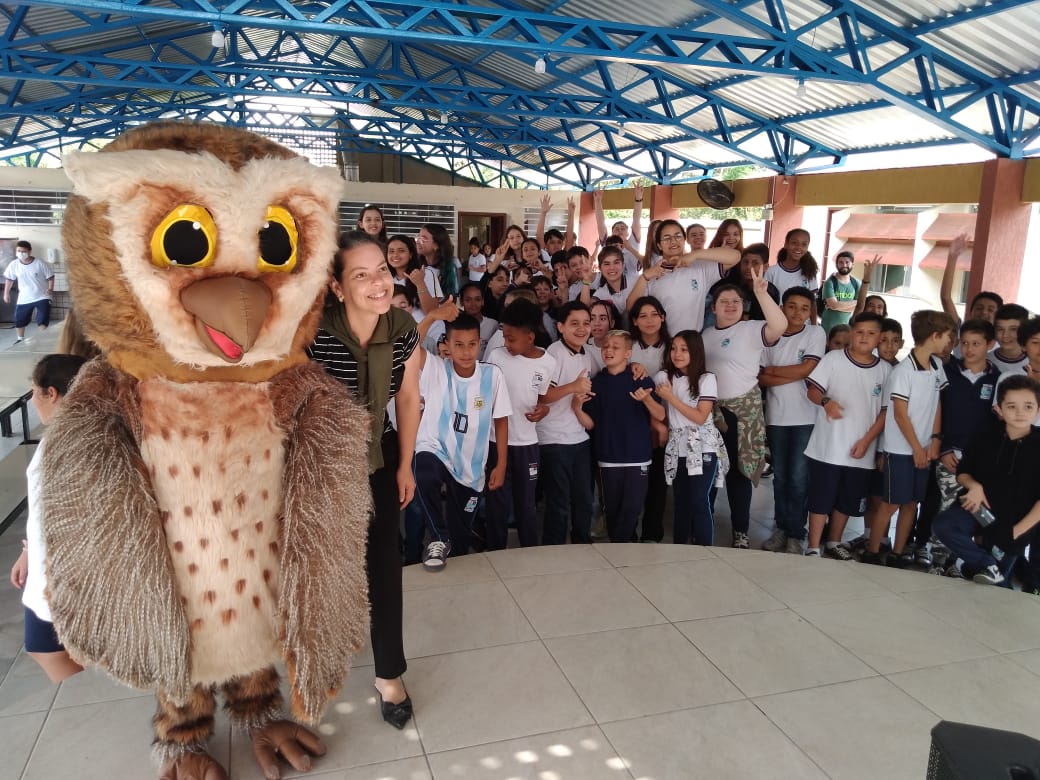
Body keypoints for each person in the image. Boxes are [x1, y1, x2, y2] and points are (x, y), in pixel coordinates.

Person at [307, 231, 420, 729]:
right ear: (336, 286)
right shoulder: (313, 334)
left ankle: (388, 673)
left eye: (382, 270)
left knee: (385, 566)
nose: (379, 282)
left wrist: (405, 464)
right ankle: (310, 668)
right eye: (361, 275)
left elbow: (409, 399)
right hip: (322, 466)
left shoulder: (402, 328)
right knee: (317, 570)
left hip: (379, 457)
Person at [9, 354, 88, 682]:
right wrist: (27, 551)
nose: (34, 403)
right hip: (50, 569)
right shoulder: (71, 435)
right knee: (50, 649)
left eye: (34, 394)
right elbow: (44, 507)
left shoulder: (70, 441)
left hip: (60, 576)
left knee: (47, 649)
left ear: (52, 393)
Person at [413, 314, 511, 569]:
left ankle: (453, 550)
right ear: (446, 344)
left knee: (462, 533)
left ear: (480, 343)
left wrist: (500, 465)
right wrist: (434, 315)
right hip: (436, 449)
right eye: (459, 344)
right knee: (421, 467)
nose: (466, 352)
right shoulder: (435, 368)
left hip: (471, 467)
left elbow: (501, 421)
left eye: (472, 344)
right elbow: (409, 345)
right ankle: (438, 536)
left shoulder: (492, 375)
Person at [863, 310, 957, 565]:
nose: (949, 342)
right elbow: (900, 415)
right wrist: (916, 447)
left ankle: (897, 552)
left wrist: (935, 439)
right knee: (891, 503)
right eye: (947, 336)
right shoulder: (904, 371)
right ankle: (872, 552)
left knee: (912, 503)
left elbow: (937, 403)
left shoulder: (937, 365)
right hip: (902, 450)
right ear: (935, 336)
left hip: (925, 448)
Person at [701, 269, 787, 548]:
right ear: (713, 307)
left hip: (742, 415)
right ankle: (705, 522)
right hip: (712, 413)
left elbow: (779, 326)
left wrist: (761, 293)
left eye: (736, 301)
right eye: (723, 301)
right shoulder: (705, 335)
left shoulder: (751, 330)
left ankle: (741, 531)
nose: (730, 305)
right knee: (710, 470)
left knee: (740, 474)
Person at [932, 375, 1040, 585]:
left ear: (1037, 409)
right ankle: (984, 563)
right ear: (999, 408)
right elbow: (962, 472)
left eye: (1028, 406)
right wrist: (974, 486)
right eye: (1011, 406)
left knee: (997, 584)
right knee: (944, 525)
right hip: (980, 510)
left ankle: (978, 567)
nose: (1020, 413)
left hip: (1014, 524)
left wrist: (1014, 532)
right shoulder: (985, 436)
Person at [803, 312, 891, 558]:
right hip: (827, 447)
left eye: (871, 333)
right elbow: (812, 390)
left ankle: (834, 542)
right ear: (851, 333)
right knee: (821, 499)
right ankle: (812, 546)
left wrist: (866, 441)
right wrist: (826, 401)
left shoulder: (885, 370)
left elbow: (885, 413)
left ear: (879, 337)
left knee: (846, 500)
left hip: (861, 451)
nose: (864, 337)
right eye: (859, 331)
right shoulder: (833, 359)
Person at [578, 330, 664, 542]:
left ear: (628, 353)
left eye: (616, 347)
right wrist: (576, 408)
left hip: (638, 457)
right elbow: (591, 424)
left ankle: (623, 548)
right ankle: (623, 548)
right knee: (613, 510)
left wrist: (646, 400)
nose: (609, 350)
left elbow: (660, 414)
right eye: (606, 346)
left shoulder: (641, 379)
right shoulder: (596, 383)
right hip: (608, 458)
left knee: (632, 508)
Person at [758, 287, 826, 554]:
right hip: (776, 416)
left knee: (799, 478)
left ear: (811, 312)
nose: (797, 312)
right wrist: (788, 373)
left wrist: (774, 371)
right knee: (781, 478)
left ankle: (797, 532)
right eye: (792, 306)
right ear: (781, 308)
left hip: (805, 417)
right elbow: (759, 377)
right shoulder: (770, 335)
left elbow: (807, 369)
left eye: (804, 308)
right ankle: (781, 527)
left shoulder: (814, 333)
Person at [485, 300, 556, 549]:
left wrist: (544, 409)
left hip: (527, 444)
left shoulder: (548, 363)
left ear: (530, 337)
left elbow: (541, 398)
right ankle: (494, 552)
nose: (506, 344)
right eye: (505, 337)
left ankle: (530, 553)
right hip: (495, 443)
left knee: (527, 505)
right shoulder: (495, 357)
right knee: (497, 504)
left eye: (511, 339)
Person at [655, 331, 728, 545]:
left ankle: (705, 550)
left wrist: (670, 398)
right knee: (681, 501)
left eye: (684, 349)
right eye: (674, 348)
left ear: (695, 352)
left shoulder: (707, 379)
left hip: (702, 446)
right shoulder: (664, 377)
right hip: (677, 446)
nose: (677, 354)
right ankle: (680, 547)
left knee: (699, 500)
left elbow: (700, 416)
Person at [537, 301, 599, 545]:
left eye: (586, 323)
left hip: (579, 437)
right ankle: (554, 548)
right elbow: (542, 396)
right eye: (574, 323)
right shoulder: (553, 354)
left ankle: (582, 542)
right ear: (560, 327)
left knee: (584, 498)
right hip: (554, 439)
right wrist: (573, 387)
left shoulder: (587, 354)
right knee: (559, 501)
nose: (582, 329)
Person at [936, 319, 1001, 521]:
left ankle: (967, 553)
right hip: (949, 456)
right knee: (946, 511)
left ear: (990, 345)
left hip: (980, 460)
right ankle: (937, 553)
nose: (969, 349)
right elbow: (935, 412)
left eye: (976, 343)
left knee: (977, 515)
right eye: (964, 343)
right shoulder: (947, 373)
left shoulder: (997, 378)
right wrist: (943, 447)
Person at [627, 219, 740, 334]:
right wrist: (644, 277)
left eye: (678, 236)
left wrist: (696, 254)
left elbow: (735, 256)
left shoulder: (700, 267)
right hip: (663, 341)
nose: (673, 241)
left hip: (692, 341)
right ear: (659, 245)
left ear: (684, 240)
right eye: (667, 238)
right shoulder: (652, 273)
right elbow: (631, 307)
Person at [629, 296, 670, 542]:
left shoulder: (673, 346)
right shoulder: (628, 347)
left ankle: (652, 532)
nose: (649, 320)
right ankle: (627, 530)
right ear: (634, 321)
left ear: (663, 317)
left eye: (654, 314)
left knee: (658, 481)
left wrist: (661, 424)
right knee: (634, 483)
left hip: (664, 421)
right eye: (642, 316)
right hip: (634, 422)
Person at [940, 233, 1003, 328]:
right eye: (979, 308)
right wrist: (952, 257)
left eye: (990, 310)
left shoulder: (1003, 341)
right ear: (970, 311)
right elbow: (945, 298)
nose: (984, 312)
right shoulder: (960, 332)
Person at [707, 243, 780, 322]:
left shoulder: (769, 292)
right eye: (745, 262)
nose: (748, 267)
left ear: (765, 267)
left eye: (755, 263)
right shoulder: (736, 287)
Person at [3, 240, 54, 344]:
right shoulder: (14, 264)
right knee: (19, 319)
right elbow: (9, 279)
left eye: (24, 251)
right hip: (24, 297)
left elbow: (51, 277)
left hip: (42, 296)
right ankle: (20, 339)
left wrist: (50, 289)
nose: (21, 253)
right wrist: (6, 293)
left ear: (30, 251)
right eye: (19, 251)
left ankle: (42, 338)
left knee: (42, 318)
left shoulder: (39, 263)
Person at [582, 245, 638, 326]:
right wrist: (586, 280)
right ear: (600, 268)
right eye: (607, 264)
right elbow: (584, 310)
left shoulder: (637, 281)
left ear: (623, 265)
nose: (612, 267)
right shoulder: (601, 293)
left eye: (616, 262)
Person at [413, 223, 460, 311]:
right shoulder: (416, 265)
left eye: (423, 238)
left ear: (436, 245)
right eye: (418, 237)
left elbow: (452, 299)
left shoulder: (449, 268)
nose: (418, 241)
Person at [765, 228, 820, 300]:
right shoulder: (771, 272)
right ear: (786, 244)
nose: (799, 247)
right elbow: (765, 299)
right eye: (794, 243)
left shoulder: (810, 272)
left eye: (804, 244)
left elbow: (813, 301)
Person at [820, 250, 861, 334]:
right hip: (828, 329)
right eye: (841, 262)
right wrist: (854, 303)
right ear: (837, 264)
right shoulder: (829, 282)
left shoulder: (856, 283)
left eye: (847, 262)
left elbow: (861, 306)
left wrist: (836, 305)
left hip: (847, 329)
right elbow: (833, 305)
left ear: (852, 264)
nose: (844, 265)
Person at [989, 304, 1031, 374]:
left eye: (1013, 329)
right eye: (1000, 329)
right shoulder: (986, 361)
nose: (1005, 335)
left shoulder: (1035, 362)